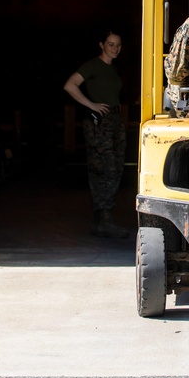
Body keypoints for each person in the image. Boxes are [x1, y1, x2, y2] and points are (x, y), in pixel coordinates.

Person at [63, 29, 129, 239]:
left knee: (117, 167)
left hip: (115, 121)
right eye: (110, 44)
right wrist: (91, 104)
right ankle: (104, 218)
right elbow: (70, 85)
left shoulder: (113, 68)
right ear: (101, 45)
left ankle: (101, 220)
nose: (115, 48)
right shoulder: (92, 65)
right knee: (104, 168)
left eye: (118, 45)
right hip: (100, 122)